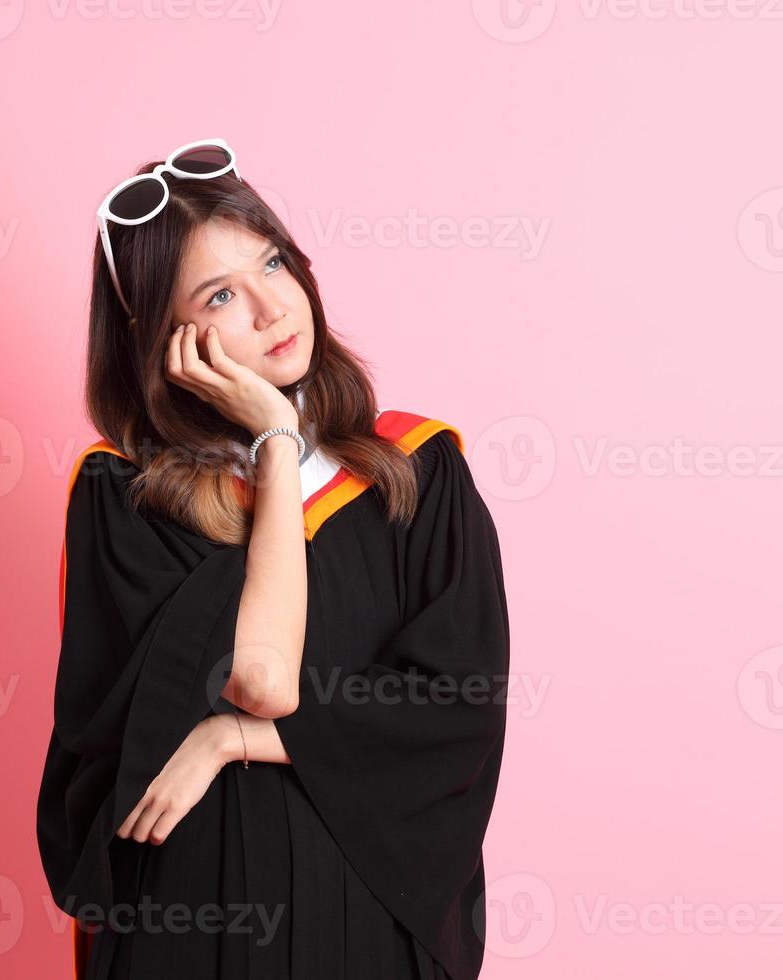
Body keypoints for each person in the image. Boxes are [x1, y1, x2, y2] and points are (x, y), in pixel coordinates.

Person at [37, 139, 511, 980]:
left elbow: (450, 710)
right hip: (193, 928)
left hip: (364, 921)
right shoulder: (124, 502)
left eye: (273, 261)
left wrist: (230, 740)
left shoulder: (417, 472)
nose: (270, 307)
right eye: (220, 293)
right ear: (160, 332)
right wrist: (275, 440)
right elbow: (265, 676)